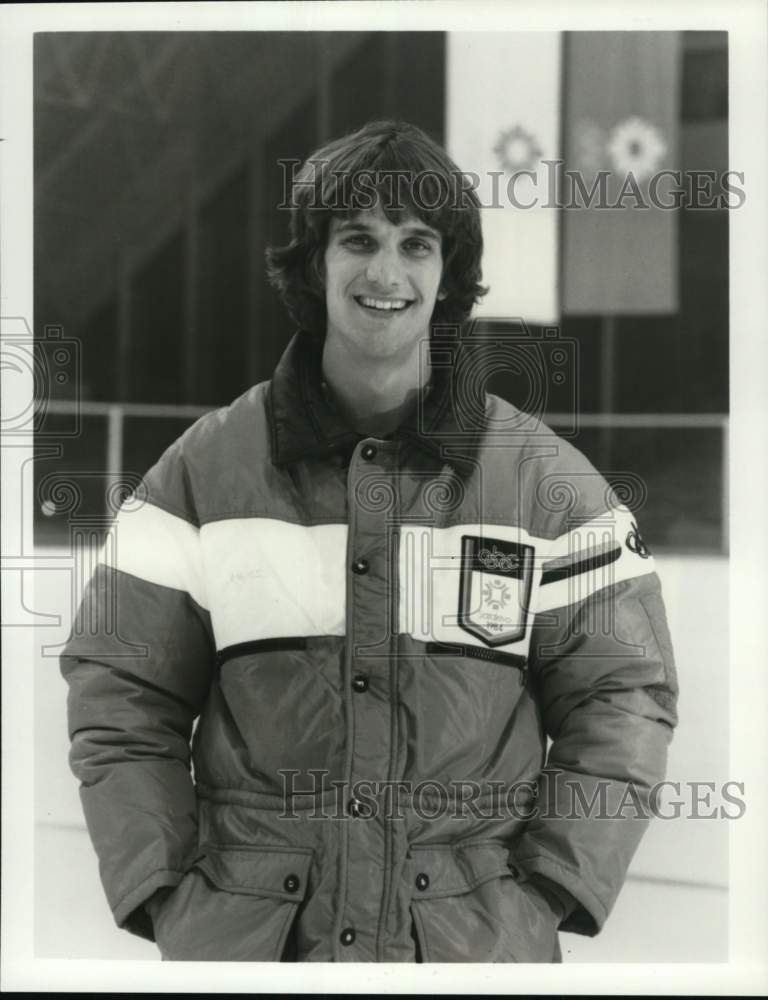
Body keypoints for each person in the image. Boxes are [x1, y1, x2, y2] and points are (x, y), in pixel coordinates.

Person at [60, 119, 678, 963]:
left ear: (448, 274)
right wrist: (165, 890)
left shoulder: (548, 483)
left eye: (416, 244)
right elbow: (120, 691)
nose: (386, 273)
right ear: (315, 264)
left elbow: (625, 696)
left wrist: (547, 892)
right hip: (250, 951)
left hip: (471, 954)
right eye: (358, 239)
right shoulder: (204, 470)